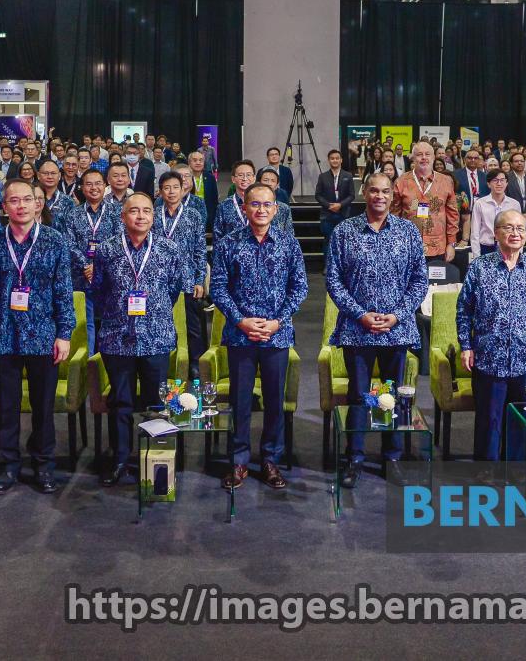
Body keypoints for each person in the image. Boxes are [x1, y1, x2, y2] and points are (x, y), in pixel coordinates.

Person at [325, 173, 427, 488]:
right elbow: (333, 280)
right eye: (373, 190)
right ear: (364, 192)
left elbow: (419, 280)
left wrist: (396, 316)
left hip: (396, 331)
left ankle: (392, 457)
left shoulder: (408, 232)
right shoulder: (344, 231)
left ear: (392, 195)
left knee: (392, 396)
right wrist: (360, 314)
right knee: (359, 396)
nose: (379, 196)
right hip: (358, 330)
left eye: (385, 191)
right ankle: (354, 457)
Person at [0, 179, 76, 495]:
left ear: (37, 204)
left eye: (26, 200)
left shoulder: (54, 240)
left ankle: (44, 465)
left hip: (43, 336)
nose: (21, 206)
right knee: (7, 406)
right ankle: (9, 465)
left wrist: (64, 333)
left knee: (43, 407)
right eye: (14, 201)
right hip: (4, 335)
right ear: (4, 207)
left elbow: (64, 291)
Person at [210, 183, 308, 490]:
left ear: (276, 209)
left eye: (267, 205)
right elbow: (218, 288)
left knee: (274, 401)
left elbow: (300, 287)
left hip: (276, 335)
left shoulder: (289, 244)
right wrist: (240, 321)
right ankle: (238, 461)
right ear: (244, 208)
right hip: (241, 335)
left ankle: (270, 460)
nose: (261, 210)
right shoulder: (227, 244)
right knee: (240, 401)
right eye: (255, 204)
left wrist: (278, 321)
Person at [92, 192, 191, 488]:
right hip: (117, 338)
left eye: (147, 211)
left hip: (156, 338)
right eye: (134, 211)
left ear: (153, 215)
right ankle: (120, 460)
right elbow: (99, 290)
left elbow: (174, 289)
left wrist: (154, 314)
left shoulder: (168, 248)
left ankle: (154, 462)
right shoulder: (107, 249)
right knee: (120, 402)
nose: (140, 216)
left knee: (156, 403)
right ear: (123, 216)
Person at [457, 210, 526, 462]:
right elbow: (464, 310)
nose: (515, 233)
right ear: (496, 233)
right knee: (489, 420)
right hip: (489, 358)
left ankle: (516, 470)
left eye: (520, 229)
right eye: (508, 228)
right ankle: (487, 470)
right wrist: (466, 346)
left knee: (521, 418)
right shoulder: (480, 267)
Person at [154, 172, 208, 380]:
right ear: (160, 191)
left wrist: (199, 279)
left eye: (175, 187)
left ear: (183, 188)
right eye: (166, 188)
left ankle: (195, 364)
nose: (171, 192)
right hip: (159, 279)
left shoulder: (193, 215)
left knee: (192, 326)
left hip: (187, 279)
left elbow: (200, 250)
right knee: (163, 322)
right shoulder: (153, 214)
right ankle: (166, 364)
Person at [70, 169, 122, 352]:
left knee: (111, 322)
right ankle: (89, 360)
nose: (94, 188)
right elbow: (69, 244)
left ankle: (110, 362)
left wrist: (98, 266)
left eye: (98, 183)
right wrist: (86, 265)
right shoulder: (73, 214)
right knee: (86, 323)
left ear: (105, 186)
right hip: (81, 277)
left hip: (109, 278)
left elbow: (120, 241)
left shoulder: (117, 212)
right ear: (82, 188)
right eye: (89, 184)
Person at [394, 141, 459, 263]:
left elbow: (452, 215)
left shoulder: (446, 181)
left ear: (433, 157)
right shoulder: (401, 182)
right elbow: (394, 215)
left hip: (438, 247)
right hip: (408, 246)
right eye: (419, 154)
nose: (424, 157)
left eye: (427, 154)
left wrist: (451, 244)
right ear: (413, 158)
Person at [469, 169, 521, 258]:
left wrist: (518, 253)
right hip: (486, 248)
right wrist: (477, 257)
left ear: (506, 183)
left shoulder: (514, 204)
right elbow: (475, 233)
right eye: (495, 180)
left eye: (502, 180)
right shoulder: (480, 203)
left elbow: (519, 230)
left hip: (508, 247)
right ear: (489, 184)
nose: (499, 183)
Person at [315, 148, 354, 242]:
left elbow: (352, 195)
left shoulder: (348, 175)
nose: (335, 160)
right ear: (329, 160)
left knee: (343, 241)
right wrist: (329, 205)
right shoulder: (322, 176)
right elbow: (318, 195)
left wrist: (340, 205)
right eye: (332, 158)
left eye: (337, 158)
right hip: (327, 214)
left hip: (343, 214)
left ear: (341, 160)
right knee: (328, 241)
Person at [187, 151, 218, 230]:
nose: (198, 163)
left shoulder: (210, 178)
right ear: (189, 162)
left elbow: (214, 200)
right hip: (189, 214)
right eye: (195, 160)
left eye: (201, 160)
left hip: (207, 214)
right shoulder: (185, 178)